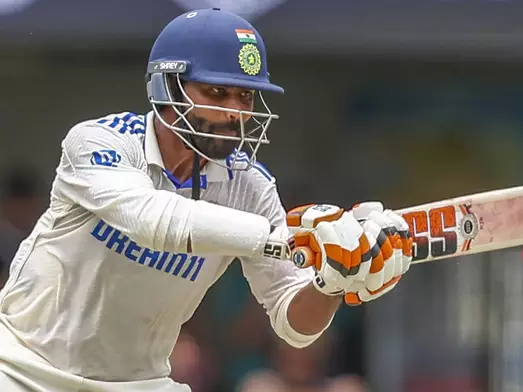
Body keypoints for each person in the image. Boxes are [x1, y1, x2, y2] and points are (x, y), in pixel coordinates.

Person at [0, 8, 412, 392]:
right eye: (218, 92)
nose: (235, 112)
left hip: (139, 383)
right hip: (20, 367)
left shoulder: (249, 188)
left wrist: (332, 280)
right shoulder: (98, 142)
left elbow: (294, 325)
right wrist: (283, 239)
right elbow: (151, 218)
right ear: (168, 87)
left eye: (246, 98)